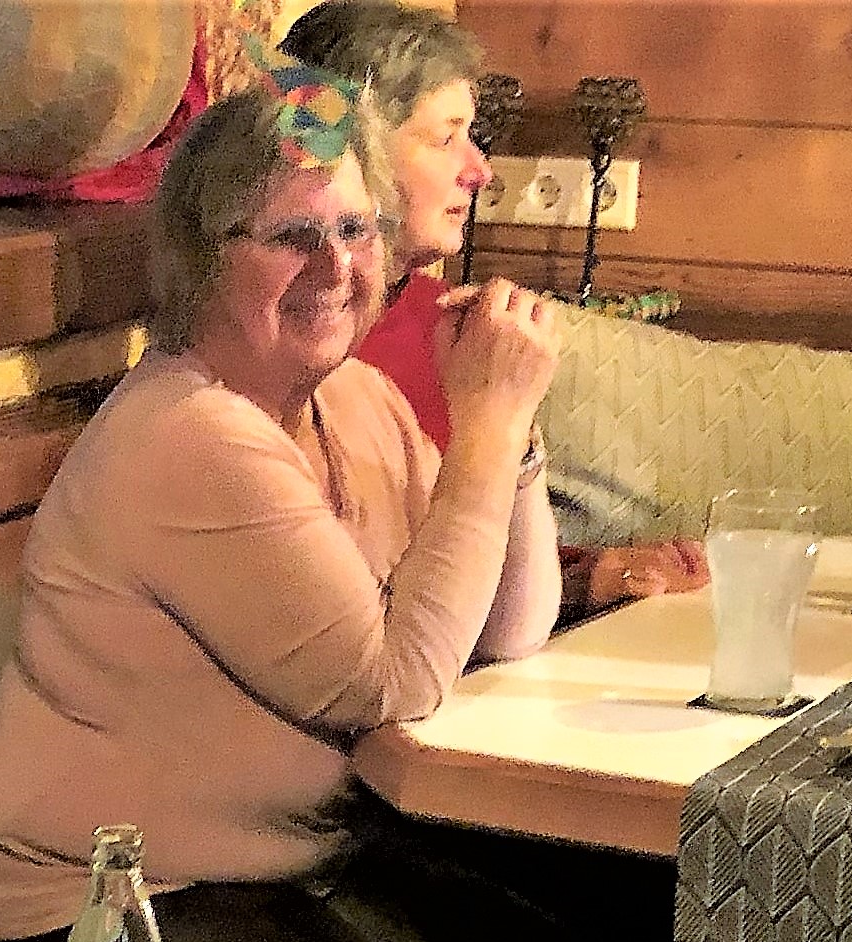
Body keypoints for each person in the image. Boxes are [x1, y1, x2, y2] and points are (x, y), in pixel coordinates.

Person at [0, 77, 597, 942]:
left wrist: (514, 436)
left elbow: (508, 627)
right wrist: (487, 424)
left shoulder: (358, 400)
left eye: (356, 228)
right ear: (202, 259)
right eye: (291, 235)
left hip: (284, 868)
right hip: (91, 905)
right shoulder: (187, 432)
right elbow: (392, 681)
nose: (335, 266)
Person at [282, 0, 707, 618]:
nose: (479, 170)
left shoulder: (442, 321)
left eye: (471, 137)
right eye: (446, 138)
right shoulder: (290, 346)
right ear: (353, 152)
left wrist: (594, 577)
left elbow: (476, 566)